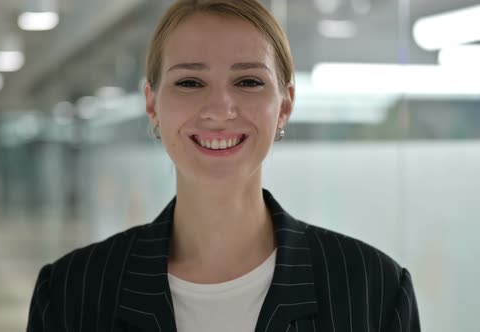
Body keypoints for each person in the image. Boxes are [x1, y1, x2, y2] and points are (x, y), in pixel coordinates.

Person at [26, 0, 421, 331]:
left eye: (248, 82)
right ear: (152, 105)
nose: (219, 110)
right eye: (190, 83)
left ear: (284, 105)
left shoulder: (373, 290)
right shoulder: (70, 293)